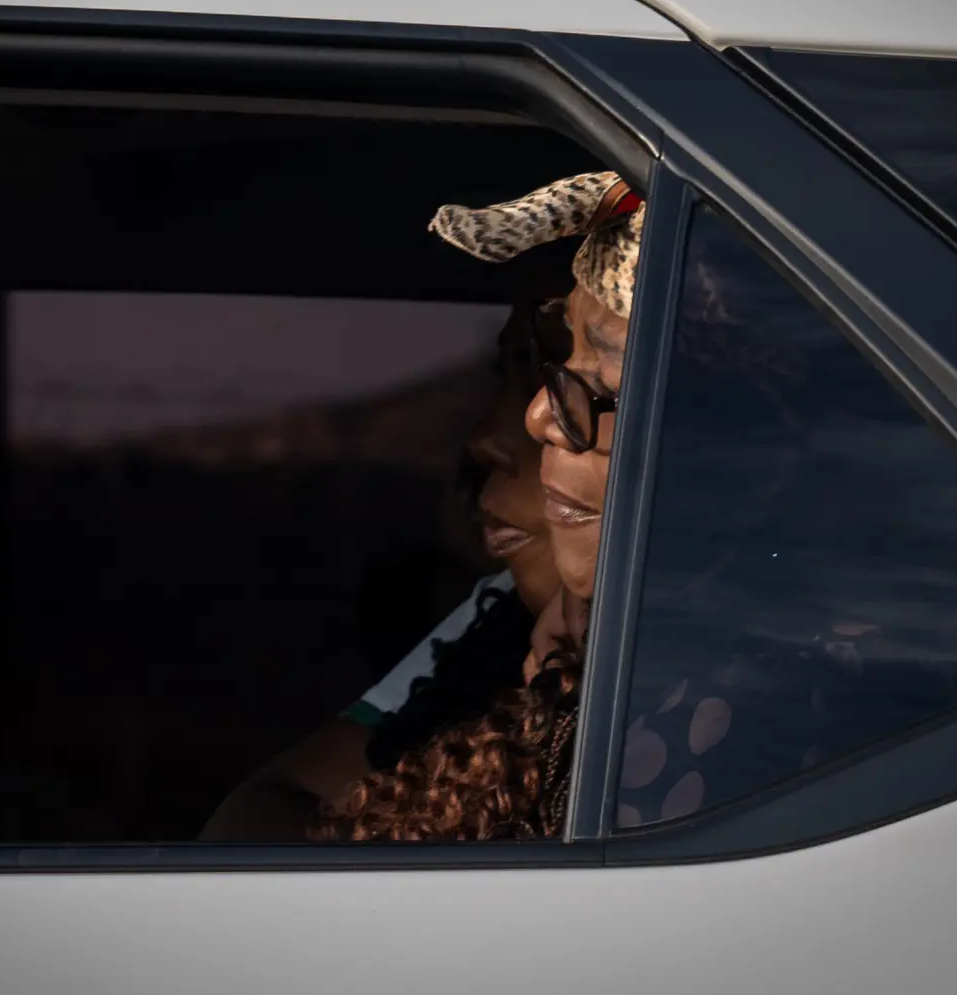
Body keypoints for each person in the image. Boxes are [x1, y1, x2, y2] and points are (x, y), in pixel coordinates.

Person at [314, 170, 641, 841]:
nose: (533, 417)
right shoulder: (514, 630)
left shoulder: (730, 706)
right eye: (532, 372)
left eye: (599, 377)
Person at [198, 296, 570, 841]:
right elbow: (261, 812)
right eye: (509, 380)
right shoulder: (497, 616)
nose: (486, 439)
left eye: (554, 381)